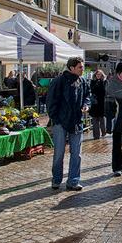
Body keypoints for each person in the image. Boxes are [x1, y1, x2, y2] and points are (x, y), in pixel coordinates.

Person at [46, 57, 91, 191]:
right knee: (59, 152)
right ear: (72, 68)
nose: (82, 69)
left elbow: (87, 96)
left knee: (76, 153)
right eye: (80, 67)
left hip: (77, 121)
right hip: (61, 122)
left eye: (82, 67)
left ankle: (73, 181)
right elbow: (51, 100)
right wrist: (56, 119)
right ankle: (56, 179)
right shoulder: (59, 81)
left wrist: (86, 105)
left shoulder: (82, 81)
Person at [89, 70, 107, 139]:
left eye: (99, 74)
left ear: (102, 75)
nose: (98, 76)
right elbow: (92, 90)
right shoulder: (93, 82)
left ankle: (103, 133)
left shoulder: (105, 82)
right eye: (97, 74)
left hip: (102, 103)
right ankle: (96, 135)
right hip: (95, 103)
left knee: (102, 119)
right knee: (95, 120)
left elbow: (105, 91)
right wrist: (96, 85)